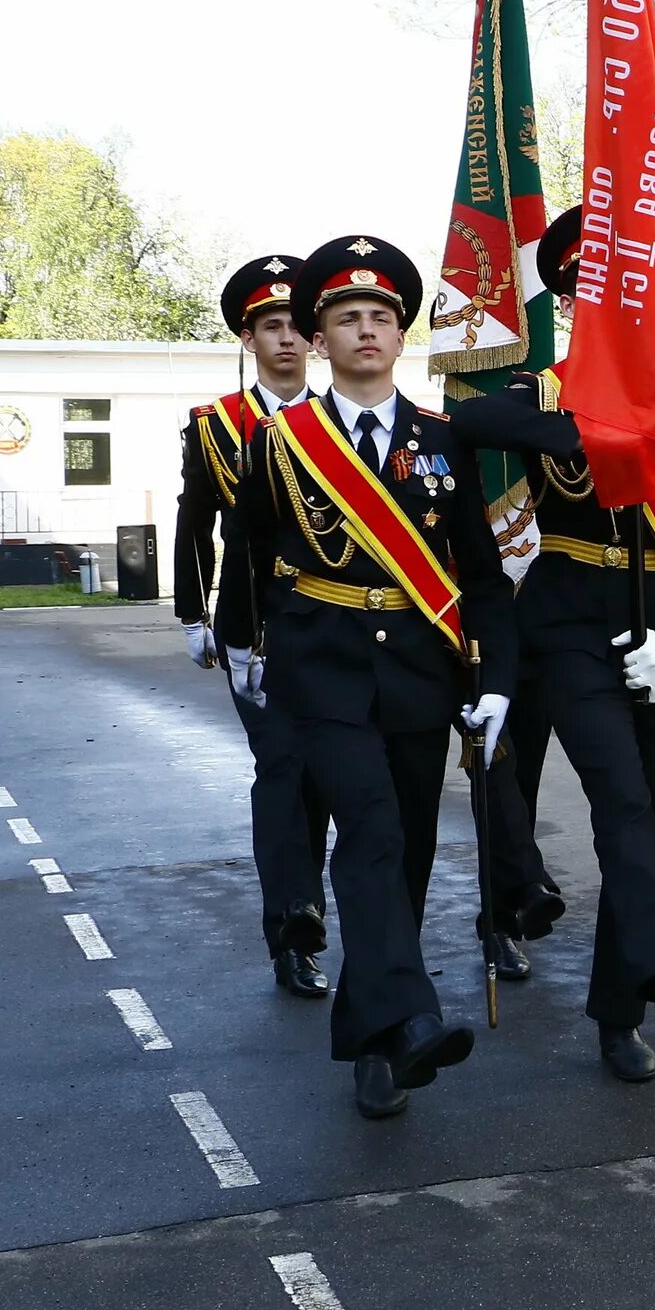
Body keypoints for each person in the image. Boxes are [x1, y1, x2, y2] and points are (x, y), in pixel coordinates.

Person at [448, 209, 655, 1084]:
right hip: (568, 623)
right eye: (591, 284)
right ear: (571, 295)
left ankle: (619, 1014)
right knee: (619, 800)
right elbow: (466, 425)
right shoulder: (542, 394)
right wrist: (596, 430)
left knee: (648, 813)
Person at [224, 236, 514, 1118]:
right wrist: (240, 646)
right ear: (319, 340)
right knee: (374, 834)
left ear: (401, 337)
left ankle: (375, 1036)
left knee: (413, 852)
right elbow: (246, 555)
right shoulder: (281, 444)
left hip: (422, 673)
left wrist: (496, 678)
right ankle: (413, 1017)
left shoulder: (441, 441)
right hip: (324, 671)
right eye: (346, 318)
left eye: (381, 318)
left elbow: (481, 568)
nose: (365, 331)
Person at [176, 257, 334, 996]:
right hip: (256, 634)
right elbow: (194, 526)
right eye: (271, 327)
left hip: (334, 627)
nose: (287, 341)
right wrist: (192, 614)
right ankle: (294, 924)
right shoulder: (217, 427)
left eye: (299, 327)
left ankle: (303, 905)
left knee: (323, 782)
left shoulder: (344, 422)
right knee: (284, 764)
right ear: (248, 339)